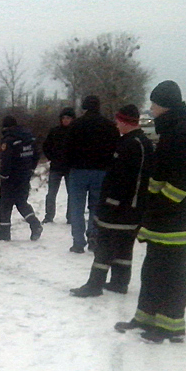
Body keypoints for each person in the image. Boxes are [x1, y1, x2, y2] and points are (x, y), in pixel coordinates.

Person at [115, 80, 186, 342]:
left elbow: (184, 179)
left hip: (174, 218)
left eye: (154, 103)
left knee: (171, 273)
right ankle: (146, 316)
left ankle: (170, 326)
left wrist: (161, 206)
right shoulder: (173, 128)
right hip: (161, 215)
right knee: (152, 269)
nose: (150, 109)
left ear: (165, 105)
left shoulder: (184, 132)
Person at [70, 104, 153, 297]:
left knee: (105, 244)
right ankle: (119, 282)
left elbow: (125, 179)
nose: (116, 125)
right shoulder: (137, 142)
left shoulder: (133, 145)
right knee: (124, 245)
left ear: (125, 121)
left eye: (118, 121)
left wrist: (111, 202)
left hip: (121, 208)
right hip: (129, 208)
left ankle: (94, 285)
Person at [65, 95, 120, 253]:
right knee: (96, 207)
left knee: (77, 207)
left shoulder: (76, 125)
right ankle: (94, 237)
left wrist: (69, 166)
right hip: (101, 172)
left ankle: (78, 241)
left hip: (78, 171)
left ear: (84, 107)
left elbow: (67, 148)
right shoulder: (109, 126)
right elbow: (115, 148)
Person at [0, 115, 43, 242]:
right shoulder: (29, 137)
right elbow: (36, 154)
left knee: (5, 204)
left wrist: (4, 176)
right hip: (24, 176)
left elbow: (6, 160)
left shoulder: (9, 140)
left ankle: (4, 232)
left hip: (11, 178)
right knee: (21, 202)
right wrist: (31, 169)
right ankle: (35, 225)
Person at [42, 107, 75, 224]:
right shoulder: (55, 131)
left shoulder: (76, 132)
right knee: (51, 193)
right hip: (56, 167)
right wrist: (52, 157)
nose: (65, 120)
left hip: (70, 167)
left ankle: (71, 217)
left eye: (68, 118)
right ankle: (49, 216)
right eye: (63, 118)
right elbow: (46, 146)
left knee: (72, 193)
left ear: (72, 119)